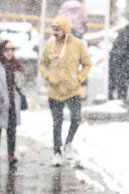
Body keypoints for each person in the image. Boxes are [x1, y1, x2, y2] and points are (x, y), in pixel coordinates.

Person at [38, 15, 91, 166]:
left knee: (76, 118)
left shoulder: (78, 45)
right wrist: (48, 76)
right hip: (54, 91)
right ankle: (56, 151)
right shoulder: (50, 45)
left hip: (72, 90)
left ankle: (68, 143)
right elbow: (41, 63)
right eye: (53, 29)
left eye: (58, 29)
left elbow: (87, 64)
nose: (54, 32)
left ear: (65, 29)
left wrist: (78, 78)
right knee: (57, 122)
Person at [0, 40, 24, 165]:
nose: (10, 52)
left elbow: (20, 85)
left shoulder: (17, 64)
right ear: (1, 51)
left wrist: (18, 72)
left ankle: (11, 155)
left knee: (12, 131)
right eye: (7, 49)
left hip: (13, 103)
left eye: (12, 49)